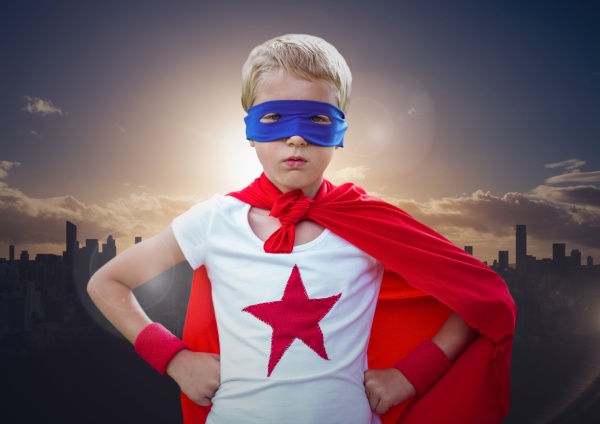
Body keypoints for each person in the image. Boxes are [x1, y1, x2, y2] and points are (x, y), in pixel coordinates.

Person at [88, 34, 516, 424]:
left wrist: (413, 374)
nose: (296, 139)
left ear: (341, 131)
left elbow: (480, 296)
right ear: (249, 133)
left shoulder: (369, 222)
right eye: (274, 119)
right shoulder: (213, 221)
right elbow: (108, 282)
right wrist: (174, 360)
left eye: (316, 120)